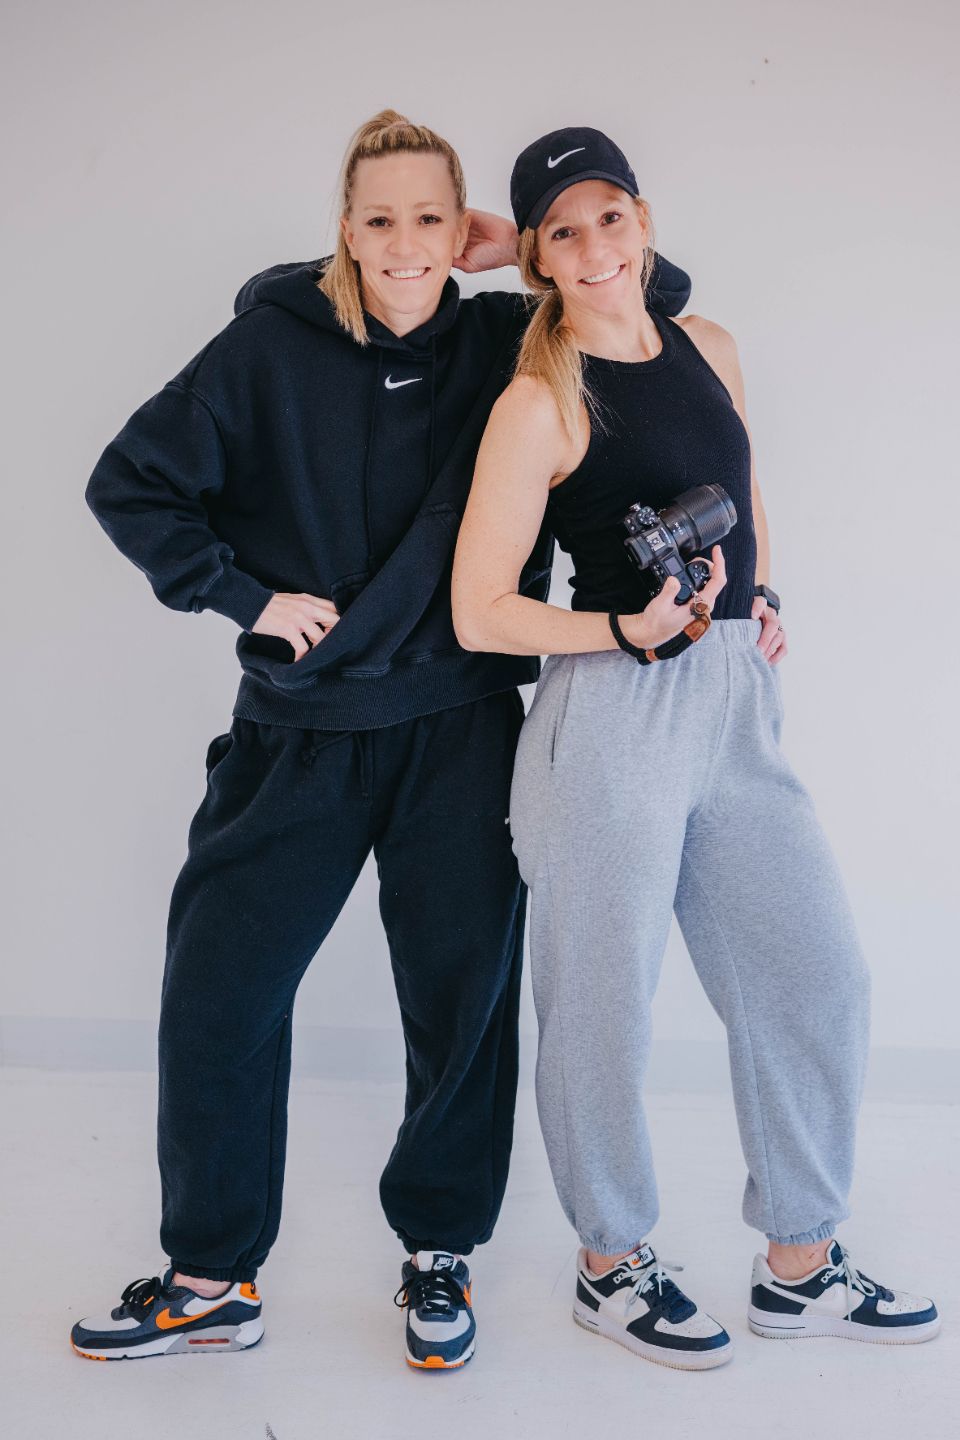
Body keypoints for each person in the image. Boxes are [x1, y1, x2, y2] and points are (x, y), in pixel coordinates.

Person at [71, 111, 692, 1369]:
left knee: (460, 1010)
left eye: (429, 218)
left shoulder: (506, 338)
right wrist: (245, 597)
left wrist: (514, 245)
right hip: (296, 734)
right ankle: (211, 1277)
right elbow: (128, 480)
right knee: (218, 997)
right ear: (343, 232)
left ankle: (438, 1255)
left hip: (460, 730)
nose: (407, 245)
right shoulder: (265, 347)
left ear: (462, 231)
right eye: (380, 219)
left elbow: (648, 295)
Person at [451, 126, 939, 1370]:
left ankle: (799, 1264)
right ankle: (609, 1265)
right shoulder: (537, 400)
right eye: (563, 233)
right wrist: (624, 627)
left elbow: (746, 487)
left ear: (645, 220)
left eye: (610, 218)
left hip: (731, 701)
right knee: (601, 1007)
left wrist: (757, 592)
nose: (595, 249)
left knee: (816, 972)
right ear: (538, 258)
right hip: (611, 714)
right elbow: (481, 610)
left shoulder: (708, 345)